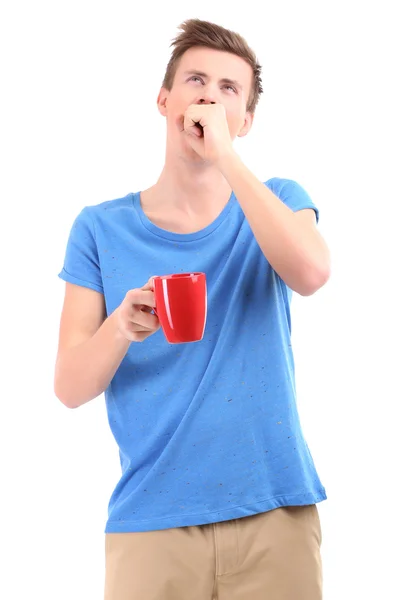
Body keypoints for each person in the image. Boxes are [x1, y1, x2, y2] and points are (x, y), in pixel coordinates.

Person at [55, 18, 331, 600]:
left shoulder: (278, 200)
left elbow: (311, 273)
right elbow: (69, 386)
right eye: (196, 80)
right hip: (151, 522)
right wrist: (121, 327)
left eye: (230, 89)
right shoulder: (99, 228)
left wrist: (226, 156)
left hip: (275, 514)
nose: (209, 94)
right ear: (164, 100)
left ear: (247, 120)